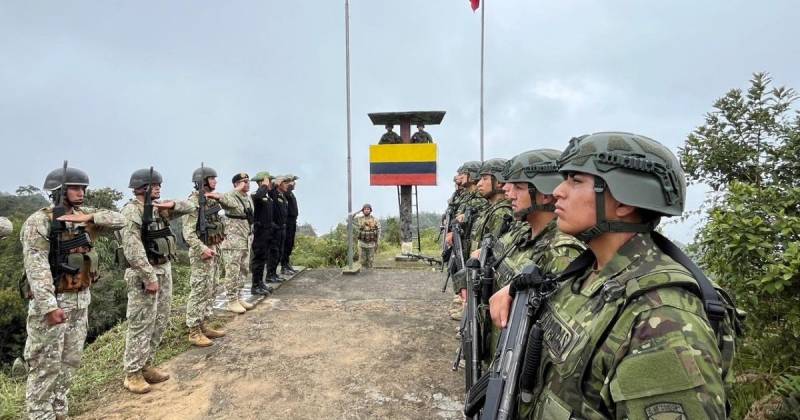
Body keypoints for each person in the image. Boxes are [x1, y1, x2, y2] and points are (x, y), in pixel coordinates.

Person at [489, 133, 734, 419]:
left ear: (624, 202)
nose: (557, 191)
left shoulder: (663, 317)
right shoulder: (582, 275)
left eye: (576, 181)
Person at [20, 163, 124, 419]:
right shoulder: (39, 222)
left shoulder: (86, 214)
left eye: (83, 187)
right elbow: (37, 268)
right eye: (75, 188)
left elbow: (119, 219)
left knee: (70, 360)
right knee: (45, 363)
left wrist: (89, 218)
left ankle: (59, 409)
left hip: (80, 299)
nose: (82, 192)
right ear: (59, 191)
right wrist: (49, 307)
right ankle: (39, 414)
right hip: (54, 301)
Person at [120, 168, 194, 394]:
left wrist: (168, 206)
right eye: (154, 185)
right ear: (142, 187)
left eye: (159, 184)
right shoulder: (131, 212)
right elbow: (132, 250)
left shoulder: (158, 210)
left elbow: (190, 207)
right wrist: (149, 277)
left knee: (159, 320)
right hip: (144, 274)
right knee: (141, 323)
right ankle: (132, 373)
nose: (158, 188)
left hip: (164, 268)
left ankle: (146, 365)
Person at [183, 165, 228, 347]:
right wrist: (202, 248)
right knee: (200, 290)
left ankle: (204, 324)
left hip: (214, 248)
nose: (216, 181)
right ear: (204, 181)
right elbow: (188, 232)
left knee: (212, 287)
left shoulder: (210, 201)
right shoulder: (193, 201)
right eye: (212, 178)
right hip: (201, 252)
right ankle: (194, 330)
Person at [205, 172, 256, 314]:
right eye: (243, 182)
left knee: (244, 269)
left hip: (245, 238)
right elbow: (223, 198)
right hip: (233, 240)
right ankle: (231, 300)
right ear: (235, 184)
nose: (247, 184)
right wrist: (236, 189)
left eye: (247, 181)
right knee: (232, 271)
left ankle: (239, 296)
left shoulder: (248, 198)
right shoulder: (231, 196)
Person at [250, 171, 275, 296]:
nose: (270, 183)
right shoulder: (256, 195)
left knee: (263, 258)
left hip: (267, 232)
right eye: (268, 181)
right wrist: (264, 186)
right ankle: (255, 285)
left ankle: (260, 282)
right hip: (259, 233)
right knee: (258, 259)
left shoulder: (268, 196)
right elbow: (258, 196)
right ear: (261, 182)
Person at [265, 175, 289, 283]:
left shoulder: (282, 195)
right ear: (279, 184)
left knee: (279, 252)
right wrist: (275, 183)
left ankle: (274, 273)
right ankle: (270, 275)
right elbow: (270, 191)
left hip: (282, 227)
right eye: (285, 183)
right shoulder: (273, 193)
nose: (287, 185)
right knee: (273, 252)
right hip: (275, 229)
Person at [281, 174, 299, 274]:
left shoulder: (291, 193)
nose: (294, 183)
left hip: (292, 221)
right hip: (287, 221)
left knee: (290, 243)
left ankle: (287, 264)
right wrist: (289, 185)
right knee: (286, 243)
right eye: (292, 182)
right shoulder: (286, 192)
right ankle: (284, 266)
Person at [355, 203, 381, 268]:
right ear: (363, 210)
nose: (366, 210)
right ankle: (363, 275)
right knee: (362, 261)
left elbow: (379, 230)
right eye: (365, 209)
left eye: (368, 209)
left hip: (371, 243)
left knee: (370, 261)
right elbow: (348, 219)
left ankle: (370, 276)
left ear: (370, 210)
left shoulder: (375, 219)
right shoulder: (359, 219)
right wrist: (359, 211)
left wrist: (378, 241)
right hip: (362, 243)